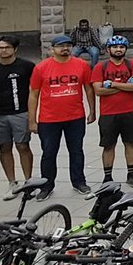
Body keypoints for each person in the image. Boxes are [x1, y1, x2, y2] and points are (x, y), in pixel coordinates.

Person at [29, 34, 95, 199]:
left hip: (75, 117)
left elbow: (88, 89)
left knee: (76, 151)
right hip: (49, 119)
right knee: (49, 153)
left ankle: (79, 182)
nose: (65, 48)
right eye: (60, 46)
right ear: (52, 49)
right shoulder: (41, 68)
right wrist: (32, 120)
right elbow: (33, 94)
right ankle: (46, 186)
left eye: (67, 45)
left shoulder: (82, 65)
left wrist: (92, 111)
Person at [0, 35, 35, 200]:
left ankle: (28, 182)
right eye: (1, 47)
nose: (4, 50)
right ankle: (12, 183)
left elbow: (34, 90)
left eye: (7, 47)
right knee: (4, 148)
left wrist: (33, 115)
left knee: (23, 146)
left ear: (15, 49)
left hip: (20, 112)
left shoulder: (26, 66)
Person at [91, 35, 133, 188]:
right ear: (108, 49)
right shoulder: (100, 67)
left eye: (121, 47)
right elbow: (98, 91)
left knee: (130, 143)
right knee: (108, 145)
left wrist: (113, 84)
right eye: (115, 47)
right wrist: (125, 86)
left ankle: (131, 173)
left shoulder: (132, 65)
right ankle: (107, 177)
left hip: (130, 111)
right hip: (108, 113)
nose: (118, 49)